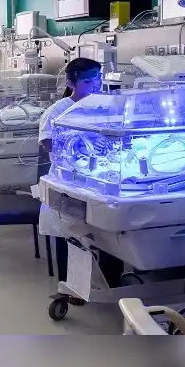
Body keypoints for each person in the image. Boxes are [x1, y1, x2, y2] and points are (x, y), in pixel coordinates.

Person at [37, 57, 124, 304]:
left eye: (98, 79)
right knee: (71, 234)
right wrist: (78, 147)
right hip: (69, 180)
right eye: (88, 81)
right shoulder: (58, 111)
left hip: (100, 178)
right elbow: (48, 144)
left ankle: (112, 284)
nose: (95, 85)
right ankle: (72, 287)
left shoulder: (106, 106)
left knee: (108, 231)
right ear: (71, 83)